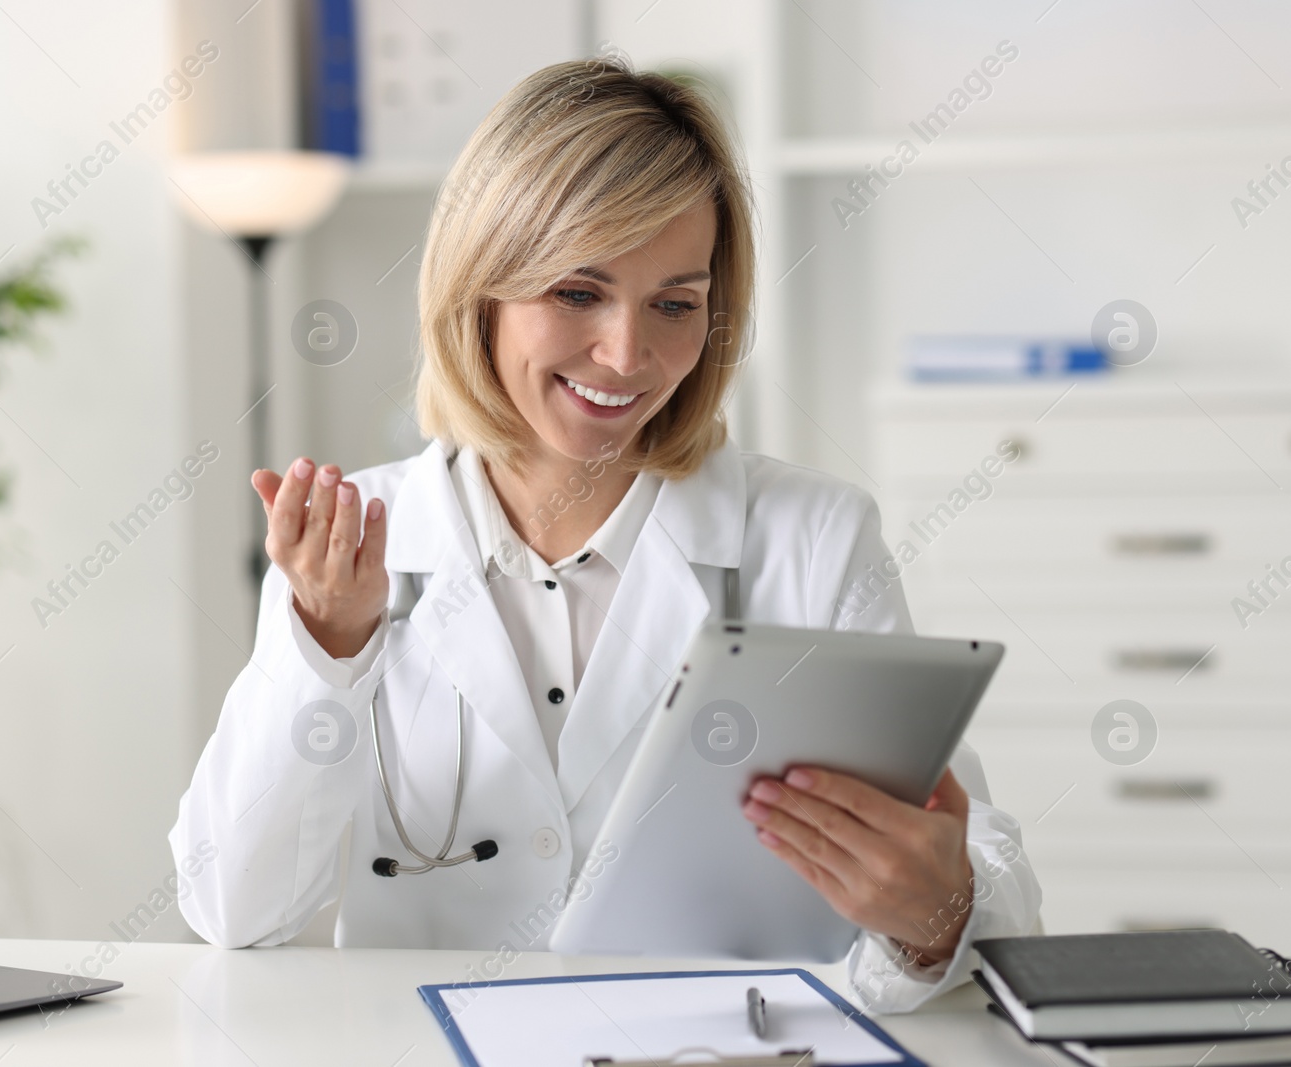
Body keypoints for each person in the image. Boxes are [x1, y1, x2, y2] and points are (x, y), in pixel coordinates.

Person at [170, 55, 1040, 1012]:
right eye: (578, 293)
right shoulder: (355, 549)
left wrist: (938, 911)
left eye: (674, 303)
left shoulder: (814, 537)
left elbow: (979, 864)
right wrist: (329, 645)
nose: (628, 355)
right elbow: (231, 907)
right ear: (481, 290)